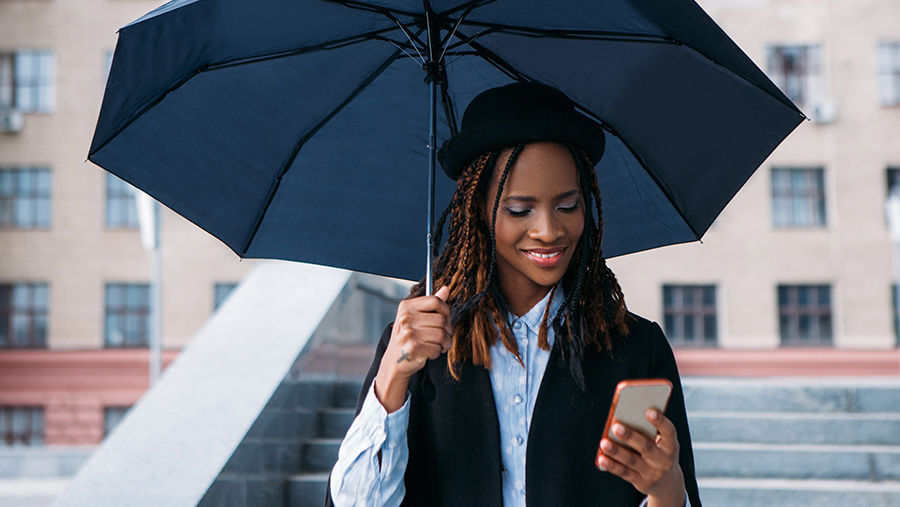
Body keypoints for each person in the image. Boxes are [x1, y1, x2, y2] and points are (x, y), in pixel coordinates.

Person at [326, 82, 702, 507]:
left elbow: (674, 494)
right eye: (520, 210)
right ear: (478, 211)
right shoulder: (417, 346)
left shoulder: (636, 348)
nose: (549, 230)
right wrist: (392, 380)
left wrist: (667, 489)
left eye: (568, 205)